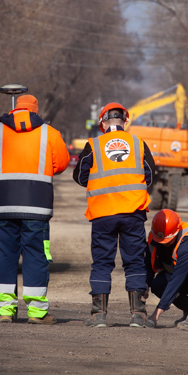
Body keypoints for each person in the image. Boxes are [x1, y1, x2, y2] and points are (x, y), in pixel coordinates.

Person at [0, 94, 69, 324]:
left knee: (5, 255)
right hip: (37, 206)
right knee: (36, 255)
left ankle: (6, 311)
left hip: (3, 204)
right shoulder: (49, 133)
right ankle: (36, 313)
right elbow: (62, 163)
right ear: (35, 111)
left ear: (16, 109)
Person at [73, 102, 156, 327]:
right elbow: (149, 175)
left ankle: (98, 315)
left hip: (103, 213)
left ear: (102, 122)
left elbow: (80, 176)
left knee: (102, 262)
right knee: (136, 262)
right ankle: (138, 315)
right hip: (133, 212)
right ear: (125, 121)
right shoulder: (138, 143)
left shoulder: (93, 145)